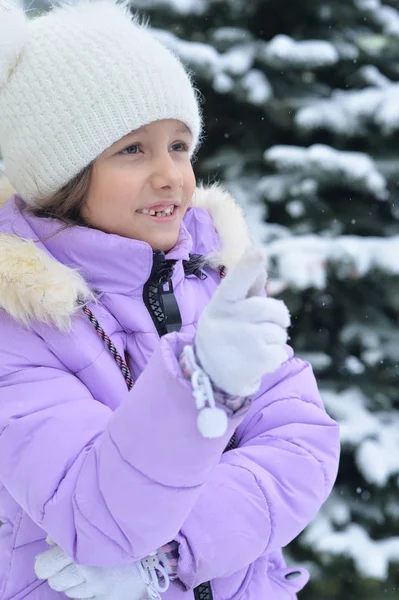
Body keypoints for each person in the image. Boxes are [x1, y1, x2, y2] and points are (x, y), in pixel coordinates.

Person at [0, 1, 340, 599]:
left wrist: (178, 550)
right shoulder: (18, 319)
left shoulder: (213, 278)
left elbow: (303, 444)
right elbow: (97, 518)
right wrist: (201, 378)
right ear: (63, 175)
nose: (171, 176)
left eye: (180, 145)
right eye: (133, 149)